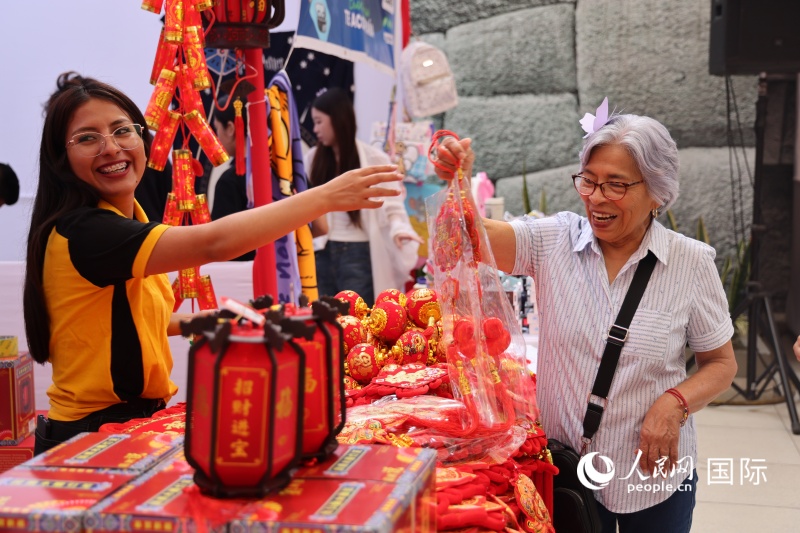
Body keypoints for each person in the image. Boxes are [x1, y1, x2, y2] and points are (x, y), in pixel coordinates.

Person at [23, 72, 403, 455]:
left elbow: (122, 318)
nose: (111, 147)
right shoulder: (87, 232)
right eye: (87, 138)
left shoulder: (122, 219)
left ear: (142, 138)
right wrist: (324, 197)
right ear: (61, 159)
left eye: (122, 130)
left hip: (123, 425)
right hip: (91, 436)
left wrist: (204, 320)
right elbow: (213, 242)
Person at [434, 109, 737, 532]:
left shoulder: (691, 263)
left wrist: (675, 403)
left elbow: (721, 364)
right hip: (567, 472)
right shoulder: (554, 241)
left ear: (657, 191)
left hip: (653, 477)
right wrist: (459, 183)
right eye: (589, 180)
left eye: (616, 184)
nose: (596, 197)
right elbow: (473, 237)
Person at [306, 87, 422, 306]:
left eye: (319, 122)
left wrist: (399, 229)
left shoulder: (373, 158)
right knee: (323, 316)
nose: (315, 129)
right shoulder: (312, 159)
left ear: (338, 120)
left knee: (358, 317)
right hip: (321, 252)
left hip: (357, 252)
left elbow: (392, 203)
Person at [209, 79, 257, 260]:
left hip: (247, 272)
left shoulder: (230, 182)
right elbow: (320, 226)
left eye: (217, 129)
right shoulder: (283, 169)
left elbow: (220, 245)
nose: (217, 137)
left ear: (230, 128)